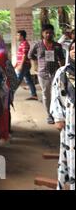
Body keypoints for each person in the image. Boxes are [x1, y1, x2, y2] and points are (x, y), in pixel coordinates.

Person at [50, 40, 75, 190]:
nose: (74, 51)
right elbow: (55, 95)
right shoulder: (62, 72)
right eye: (72, 48)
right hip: (70, 121)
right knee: (72, 156)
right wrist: (58, 117)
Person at [29, 24, 65, 124]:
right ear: (43, 33)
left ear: (53, 33)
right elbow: (30, 55)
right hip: (43, 74)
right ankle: (49, 114)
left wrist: (63, 72)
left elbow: (61, 59)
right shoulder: (37, 45)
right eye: (46, 32)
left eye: (50, 32)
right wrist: (35, 66)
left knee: (56, 94)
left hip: (55, 73)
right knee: (46, 95)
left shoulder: (57, 46)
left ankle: (56, 113)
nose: (48, 34)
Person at [15, 30, 38, 100]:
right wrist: (16, 64)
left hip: (24, 65)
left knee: (17, 79)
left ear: (21, 36)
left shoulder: (25, 44)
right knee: (29, 80)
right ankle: (34, 95)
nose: (17, 37)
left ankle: (10, 94)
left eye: (18, 35)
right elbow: (21, 55)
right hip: (23, 64)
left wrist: (21, 65)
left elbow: (24, 55)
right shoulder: (22, 43)